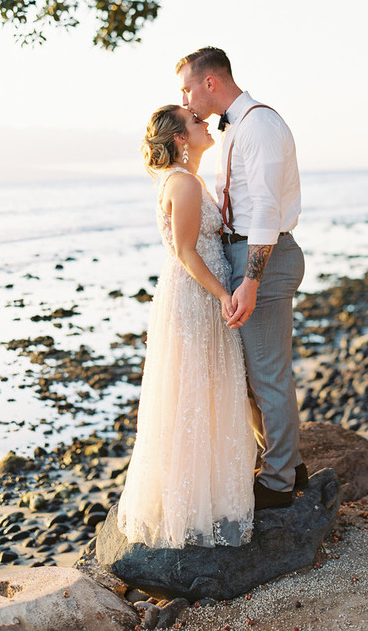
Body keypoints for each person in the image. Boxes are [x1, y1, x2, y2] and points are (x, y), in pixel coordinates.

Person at [117, 105, 255, 548]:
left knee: (199, 395)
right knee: (199, 394)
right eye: (195, 121)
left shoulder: (183, 180)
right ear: (179, 138)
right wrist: (222, 295)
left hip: (193, 293)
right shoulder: (183, 183)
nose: (205, 123)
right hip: (197, 296)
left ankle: (204, 502)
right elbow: (186, 251)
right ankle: (195, 511)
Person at [176, 47, 307, 511]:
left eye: (188, 88)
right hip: (244, 256)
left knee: (268, 374)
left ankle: (277, 483)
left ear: (210, 82)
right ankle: (289, 464)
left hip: (263, 259)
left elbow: (267, 211)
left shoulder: (261, 126)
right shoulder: (235, 129)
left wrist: (250, 280)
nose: (187, 99)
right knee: (254, 375)